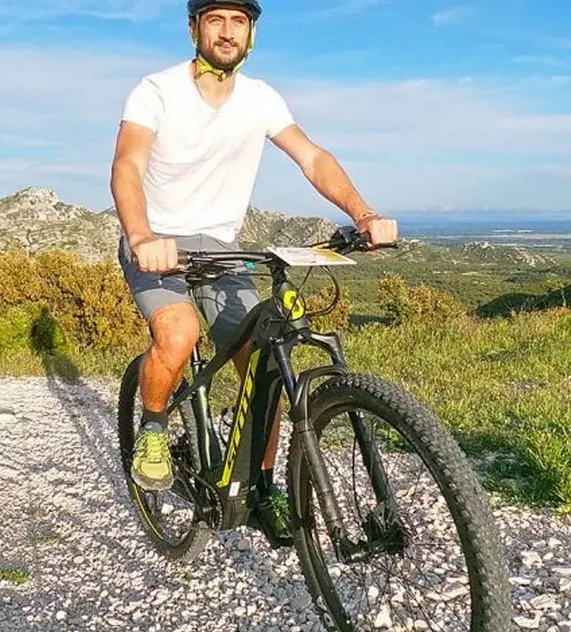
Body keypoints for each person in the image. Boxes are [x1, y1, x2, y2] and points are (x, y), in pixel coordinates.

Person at [110, 0, 399, 494]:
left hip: (222, 249)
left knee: (264, 360)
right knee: (178, 334)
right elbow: (128, 166)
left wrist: (363, 213)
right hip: (157, 241)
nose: (227, 31)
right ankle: (154, 426)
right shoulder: (155, 91)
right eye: (215, 19)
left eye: (238, 21)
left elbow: (312, 158)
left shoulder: (261, 99)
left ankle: (261, 486)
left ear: (251, 33)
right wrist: (141, 236)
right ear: (194, 28)